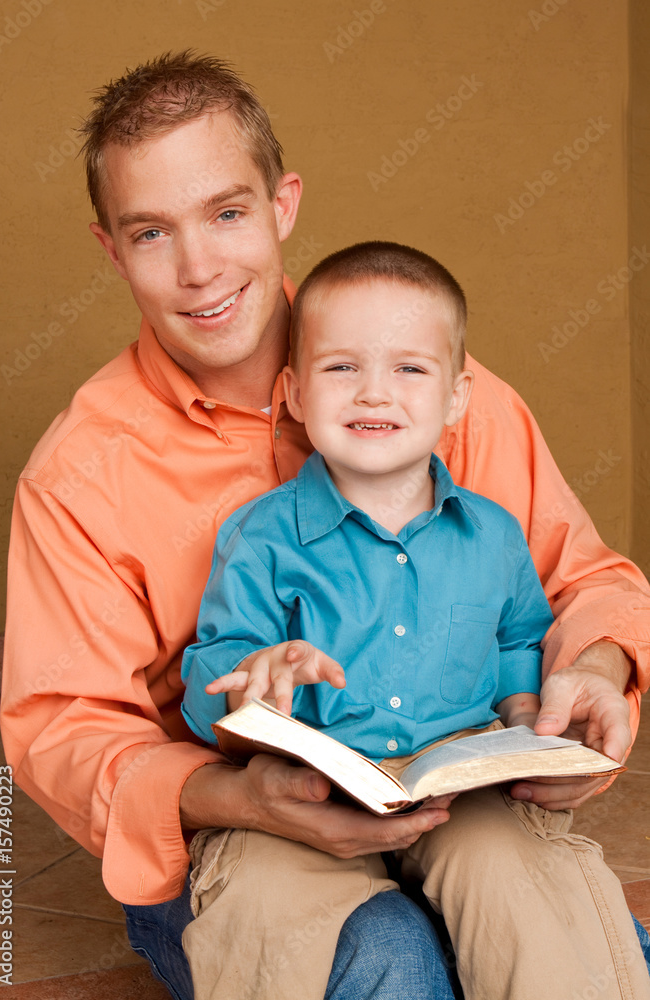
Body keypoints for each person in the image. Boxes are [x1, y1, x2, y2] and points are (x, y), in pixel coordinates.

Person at [0, 51, 650, 1000]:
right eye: (151, 233)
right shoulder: (77, 475)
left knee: (579, 941)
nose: (198, 269)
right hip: (241, 831)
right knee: (396, 959)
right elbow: (65, 730)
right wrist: (240, 796)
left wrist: (590, 672)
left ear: (282, 206)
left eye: (227, 213)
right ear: (111, 249)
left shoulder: (435, 386)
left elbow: (579, 581)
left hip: (460, 806)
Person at [179, 241, 650, 1000]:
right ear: (293, 392)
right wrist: (251, 678)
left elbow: (516, 639)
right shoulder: (261, 536)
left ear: (457, 398)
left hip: (462, 792)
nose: (374, 394)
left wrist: (524, 716)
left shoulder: (494, 534)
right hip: (306, 795)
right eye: (342, 368)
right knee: (262, 906)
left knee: (531, 894)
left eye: (409, 369)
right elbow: (215, 663)